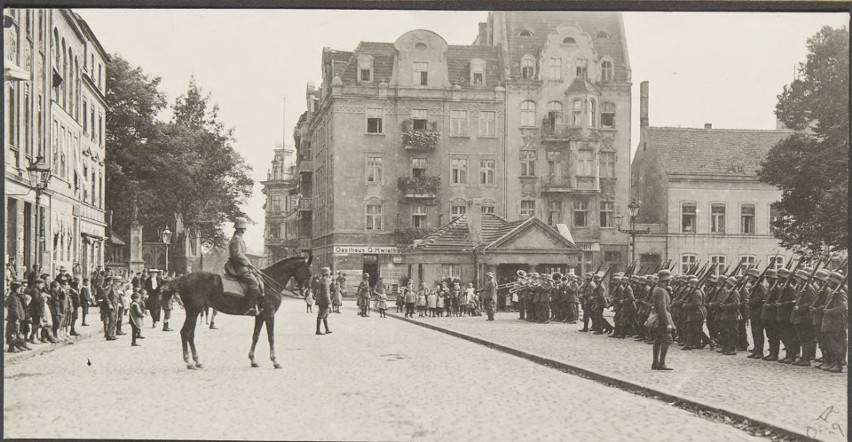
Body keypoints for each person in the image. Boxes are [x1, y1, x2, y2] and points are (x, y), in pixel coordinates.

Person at [226, 218, 263, 316]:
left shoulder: (237, 238)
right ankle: (249, 307)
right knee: (254, 283)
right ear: (242, 229)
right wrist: (248, 262)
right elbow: (238, 254)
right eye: (244, 229)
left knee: (257, 278)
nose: (244, 230)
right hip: (239, 266)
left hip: (240, 265)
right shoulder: (237, 239)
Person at [650, 269, 674, 370]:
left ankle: (655, 363)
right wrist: (667, 323)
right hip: (661, 320)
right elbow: (662, 308)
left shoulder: (657, 289)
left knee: (658, 340)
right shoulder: (662, 291)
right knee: (667, 339)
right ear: (666, 281)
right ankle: (661, 363)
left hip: (657, 319)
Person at [315, 267, 333, 335]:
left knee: (325, 315)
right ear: (327, 273)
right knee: (321, 315)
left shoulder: (323, 280)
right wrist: (328, 302)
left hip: (321, 299)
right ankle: (318, 331)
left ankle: (327, 329)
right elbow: (325, 293)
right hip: (324, 300)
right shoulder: (324, 281)